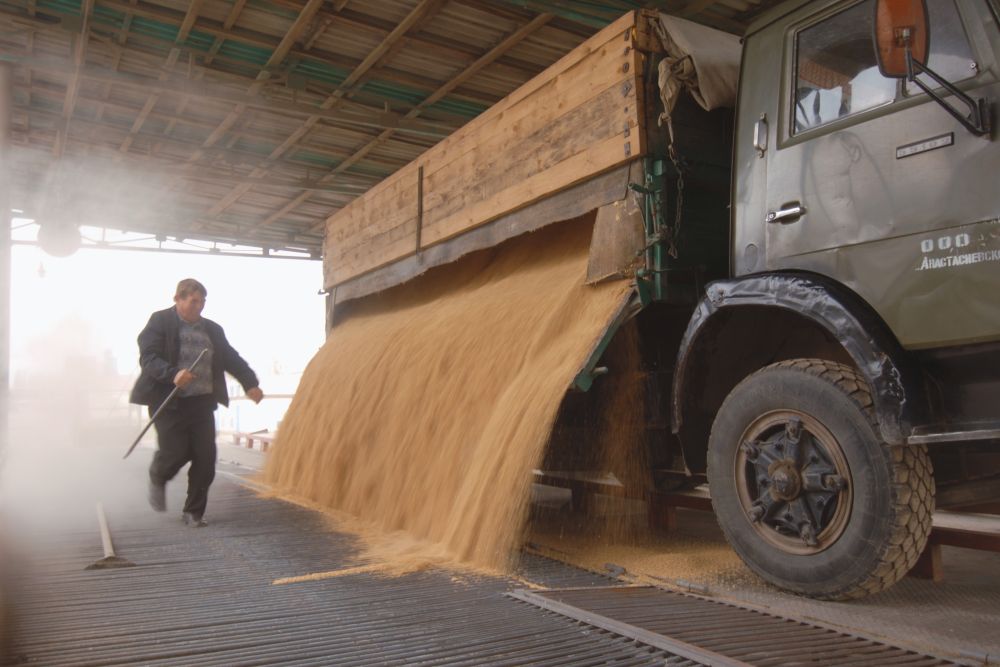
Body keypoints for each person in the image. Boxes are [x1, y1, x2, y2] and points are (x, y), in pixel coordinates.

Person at [129, 278, 263, 527]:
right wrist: (173, 374)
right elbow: (148, 358)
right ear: (178, 299)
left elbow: (231, 358)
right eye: (193, 301)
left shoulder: (212, 329)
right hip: (169, 403)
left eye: (202, 302)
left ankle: (193, 513)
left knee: (205, 457)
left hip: (202, 403)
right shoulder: (160, 322)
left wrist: (250, 383)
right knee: (175, 453)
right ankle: (158, 477)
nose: (198, 306)